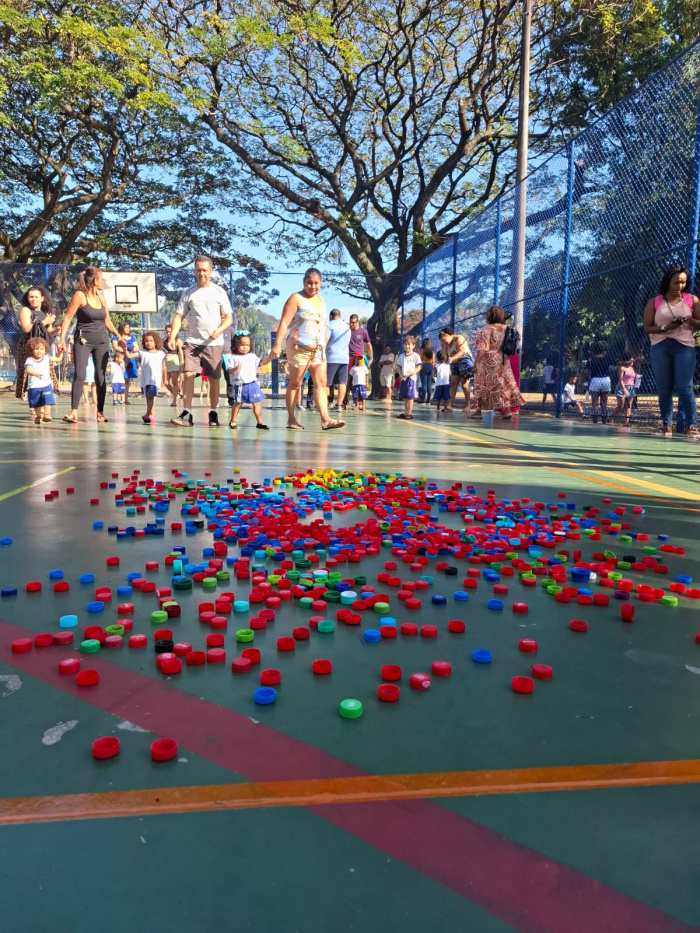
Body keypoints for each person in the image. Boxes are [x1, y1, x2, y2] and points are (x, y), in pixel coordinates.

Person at [270, 268, 344, 430]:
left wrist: (323, 346)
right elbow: (284, 323)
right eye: (309, 283)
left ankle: (325, 419)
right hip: (298, 349)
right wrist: (276, 345)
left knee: (321, 382)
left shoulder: (321, 302)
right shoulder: (296, 299)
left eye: (316, 283)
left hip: (318, 351)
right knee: (296, 384)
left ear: (321, 283)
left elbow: (323, 326)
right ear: (304, 282)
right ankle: (291, 419)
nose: (313, 286)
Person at [167, 255, 233, 428]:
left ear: (210, 271)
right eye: (198, 270)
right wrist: (173, 337)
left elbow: (228, 319)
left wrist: (218, 331)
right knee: (188, 374)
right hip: (192, 343)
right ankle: (187, 414)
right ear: (194, 271)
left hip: (214, 344)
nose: (201, 273)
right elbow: (179, 316)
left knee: (213, 379)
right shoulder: (188, 293)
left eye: (205, 270)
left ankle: (213, 412)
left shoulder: (219, 292)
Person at [57, 266, 121, 424]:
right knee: (80, 375)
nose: (103, 281)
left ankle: (100, 412)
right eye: (101, 278)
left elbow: (107, 321)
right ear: (94, 280)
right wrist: (61, 340)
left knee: (100, 377)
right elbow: (67, 319)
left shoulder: (101, 298)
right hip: (83, 340)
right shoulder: (80, 296)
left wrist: (118, 336)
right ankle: (73, 412)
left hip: (101, 341)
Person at [643, 266, 700, 438]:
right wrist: (665, 328)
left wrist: (689, 319)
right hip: (660, 347)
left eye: (683, 282)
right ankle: (666, 424)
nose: (679, 286)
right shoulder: (655, 302)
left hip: (685, 347)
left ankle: (693, 426)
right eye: (676, 282)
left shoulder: (692, 300)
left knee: (685, 387)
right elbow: (647, 328)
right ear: (668, 282)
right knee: (664, 388)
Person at [472, 305, 524, 419]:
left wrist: (476, 363)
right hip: (504, 359)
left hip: (488, 361)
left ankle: (478, 411)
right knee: (503, 384)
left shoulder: (487, 329)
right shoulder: (509, 329)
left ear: (490, 316)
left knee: (481, 384)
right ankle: (508, 410)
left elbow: (483, 348)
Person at [15, 286, 59, 400]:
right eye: (31, 297)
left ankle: (44, 399)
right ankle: (31, 403)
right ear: (28, 298)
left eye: (36, 297)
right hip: (28, 346)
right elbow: (26, 328)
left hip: (42, 347)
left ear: (42, 298)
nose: (33, 299)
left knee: (44, 372)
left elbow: (49, 331)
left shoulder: (45, 313)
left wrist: (57, 330)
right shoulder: (25, 310)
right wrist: (44, 322)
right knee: (29, 373)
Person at [224, 331, 272, 430]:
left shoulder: (252, 356)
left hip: (253, 384)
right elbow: (230, 371)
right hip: (241, 385)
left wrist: (270, 357)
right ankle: (233, 421)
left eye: (247, 345)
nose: (245, 347)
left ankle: (260, 423)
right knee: (238, 403)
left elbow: (262, 363)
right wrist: (235, 368)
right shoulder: (233, 358)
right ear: (236, 345)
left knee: (257, 403)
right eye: (242, 345)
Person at [24, 337, 61, 425]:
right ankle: (38, 416)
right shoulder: (29, 360)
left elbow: (58, 359)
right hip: (34, 386)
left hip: (46, 384)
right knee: (36, 403)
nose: (39, 351)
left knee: (48, 399)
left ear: (45, 350)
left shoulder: (46, 358)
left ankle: (47, 414)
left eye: (41, 349)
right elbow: (28, 370)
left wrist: (61, 352)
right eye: (36, 349)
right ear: (31, 350)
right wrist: (34, 373)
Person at [438, 326, 473, 412]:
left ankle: (468, 405)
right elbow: (445, 356)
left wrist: (452, 358)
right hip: (454, 363)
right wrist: (442, 362)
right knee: (453, 384)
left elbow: (461, 351)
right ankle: (449, 405)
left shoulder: (458, 338)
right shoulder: (445, 345)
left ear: (449, 335)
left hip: (464, 361)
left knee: (464, 385)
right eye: (441, 341)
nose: (443, 342)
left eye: (444, 340)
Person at [325, 309, 351, 411]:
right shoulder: (347, 327)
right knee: (342, 382)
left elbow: (325, 340)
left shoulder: (329, 325)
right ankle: (339, 405)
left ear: (331, 316)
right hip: (344, 358)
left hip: (331, 358)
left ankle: (325, 404)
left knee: (326, 383)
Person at [345, 314, 373, 407]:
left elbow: (368, 344)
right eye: (350, 323)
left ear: (357, 322)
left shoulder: (363, 332)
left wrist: (371, 358)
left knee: (360, 380)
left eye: (353, 323)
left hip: (360, 359)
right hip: (349, 358)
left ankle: (359, 402)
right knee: (348, 381)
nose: (351, 324)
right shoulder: (347, 332)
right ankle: (345, 402)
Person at [586, 340, 612, 424]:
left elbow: (587, 371)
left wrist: (585, 382)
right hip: (605, 379)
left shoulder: (591, 360)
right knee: (604, 403)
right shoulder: (607, 358)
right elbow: (618, 363)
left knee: (595, 403)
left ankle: (595, 422)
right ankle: (604, 421)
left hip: (595, 379)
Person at [396, 335, 421, 420]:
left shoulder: (416, 356)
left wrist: (413, 373)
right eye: (406, 344)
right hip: (403, 379)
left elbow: (419, 367)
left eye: (409, 344)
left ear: (413, 345)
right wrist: (400, 375)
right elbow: (398, 367)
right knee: (405, 396)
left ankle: (409, 413)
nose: (407, 346)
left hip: (411, 379)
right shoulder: (401, 356)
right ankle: (406, 411)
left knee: (410, 396)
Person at [112, 322, 137, 404]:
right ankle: (118, 399)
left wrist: (129, 353)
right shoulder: (116, 337)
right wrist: (125, 351)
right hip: (120, 360)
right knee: (119, 379)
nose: (127, 329)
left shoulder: (132, 338)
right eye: (126, 327)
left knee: (127, 380)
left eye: (128, 327)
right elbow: (115, 347)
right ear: (122, 328)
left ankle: (125, 399)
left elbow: (136, 347)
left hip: (130, 360)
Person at [163, 323, 184, 406]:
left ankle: (174, 400)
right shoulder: (164, 340)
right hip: (166, 361)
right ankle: (177, 394)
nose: (168, 333)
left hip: (174, 360)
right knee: (166, 382)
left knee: (175, 382)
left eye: (170, 332)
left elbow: (181, 352)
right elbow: (161, 349)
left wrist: (182, 362)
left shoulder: (177, 341)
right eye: (167, 332)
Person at [613, 358, 636, 426]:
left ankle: (626, 422)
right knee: (621, 405)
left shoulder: (631, 368)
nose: (632, 362)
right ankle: (611, 417)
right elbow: (620, 379)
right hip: (622, 387)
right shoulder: (622, 368)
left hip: (631, 387)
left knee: (629, 405)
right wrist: (623, 389)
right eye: (631, 360)